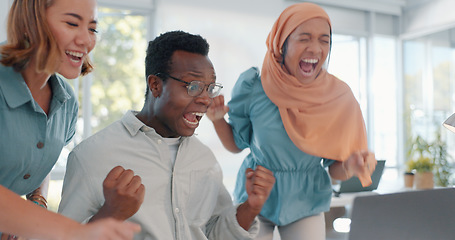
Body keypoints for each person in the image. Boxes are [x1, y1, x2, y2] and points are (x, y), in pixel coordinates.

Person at [58, 30, 276, 240]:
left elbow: (213, 234)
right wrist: (110, 213)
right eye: (193, 86)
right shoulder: (92, 155)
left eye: (209, 88)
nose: (206, 99)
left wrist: (251, 207)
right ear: (155, 85)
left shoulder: (203, 159)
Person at [206, 3, 377, 240]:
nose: (315, 48)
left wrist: (350, 166)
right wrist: (217, 120)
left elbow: (335, 170)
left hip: (306, 199)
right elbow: (236, 144)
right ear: (282, 43)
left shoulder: (338, 98)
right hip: (256, 192)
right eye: (304, 38)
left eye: (324, 40)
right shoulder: (254, 86)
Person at [0, 0, 141, 239]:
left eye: (92, 29)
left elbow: (39, 151)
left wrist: (37, 200)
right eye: (72, 24)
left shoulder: (65, 102)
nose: (86, 40)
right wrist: (72, 231)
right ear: (31, 21)